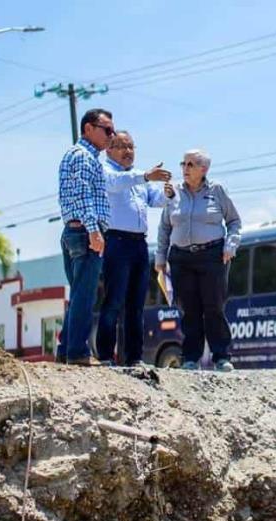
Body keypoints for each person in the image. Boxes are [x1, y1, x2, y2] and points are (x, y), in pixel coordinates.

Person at [155, 149, 241, 372]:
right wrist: (161, 258)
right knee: (189, 310)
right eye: (183, 163)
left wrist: (231, 245)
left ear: (204, 169)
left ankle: (221, 356)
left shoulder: (217, 191)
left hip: (212, 256)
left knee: (214, 307)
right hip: (181, 258)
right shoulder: (173, 192)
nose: (185, 168)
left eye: (191, 164)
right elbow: (165, 227)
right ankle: (191, 358)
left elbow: (234, 222)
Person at [96, 130, 173, 365]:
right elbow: (116, 184)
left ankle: (134, 358)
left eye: (131, 147)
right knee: (113, 302)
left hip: (139, 244)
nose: (128, 151)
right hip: (116, 242)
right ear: (109, 148)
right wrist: (146, 175)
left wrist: (168, 194)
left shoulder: (137, 178)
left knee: (136, 305)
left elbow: (154, 199)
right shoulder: (106, 171)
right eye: (122, 146)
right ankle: (107, 356)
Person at [56, 108, 115, 366]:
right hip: (84, 231)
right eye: (107, 130)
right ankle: (78, 352)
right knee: (85, 295)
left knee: (79, 293)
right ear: (88, 129)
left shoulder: (79, 155)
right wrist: (93, 230)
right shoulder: (83, 156)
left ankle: (65, 349)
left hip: (74, 231)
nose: (110, 136)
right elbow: (82, 195)